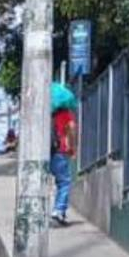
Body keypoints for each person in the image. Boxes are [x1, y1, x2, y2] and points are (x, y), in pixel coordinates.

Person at [50, 83, 78, 227]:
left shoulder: (48, 115)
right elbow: (72, 129)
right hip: (60, 151)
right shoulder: (65, 114)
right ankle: (59, 210)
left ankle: (58, 211)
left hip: (47, 151)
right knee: (64, 182)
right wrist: (73, 147)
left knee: (55, 181)